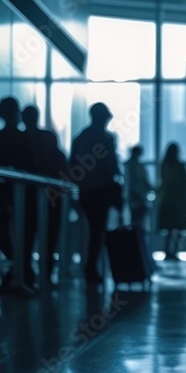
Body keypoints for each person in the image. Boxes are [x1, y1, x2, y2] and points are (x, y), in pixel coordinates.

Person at [0, 97, 39, 293]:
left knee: (6, 236)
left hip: (6, 197)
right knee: (20, 237)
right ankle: (22, 273)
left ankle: (19, 273)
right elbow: (31, 166)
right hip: (21, 197)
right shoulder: (22, 138)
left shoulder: (0, 137)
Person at [70, 102, 122, 285]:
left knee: (92, 230)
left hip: (86, 191)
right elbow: (112, 166)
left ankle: (89, 266)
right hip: (102, 190)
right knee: (98, 231)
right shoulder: (106, 139)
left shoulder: (80, 138)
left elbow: (73, 167)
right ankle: (91, 267)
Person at [23, 105, 67, 284]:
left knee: (26, 237)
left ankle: (27, 274)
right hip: (51, 197)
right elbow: (61, 163)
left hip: (28, 197)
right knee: (49, 236)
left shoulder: (21, 139)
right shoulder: (47, 137)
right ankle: (45, 274)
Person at [156, 143, 186, 261]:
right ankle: (175, 250)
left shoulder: (163, 166)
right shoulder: (180, 166)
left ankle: (167, 250)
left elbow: (162, 183)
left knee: (168, 228)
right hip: (179, 201)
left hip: (167, 200)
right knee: (179, 228)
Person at [124, 145, 153, 229]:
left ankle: (136, 238)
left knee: (135, 220)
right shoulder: (137, 166)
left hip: (133, 196)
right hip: (138, 196)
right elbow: (143, 180)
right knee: (138, 222)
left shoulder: (128, 165)